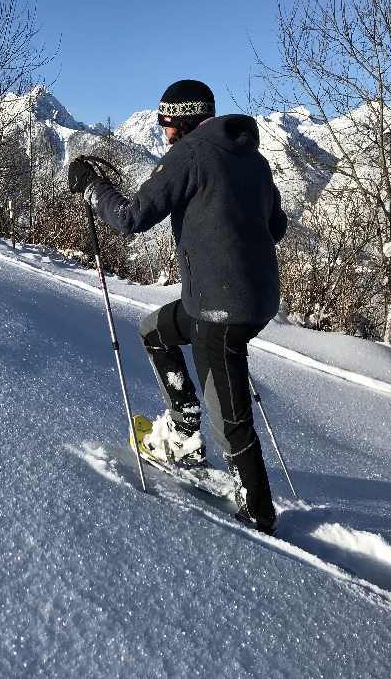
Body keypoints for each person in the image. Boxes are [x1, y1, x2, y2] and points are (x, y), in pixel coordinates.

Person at [68, 79, 288, 534]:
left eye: (166, 122)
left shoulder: (189, 156)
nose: (164, 131)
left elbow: (131, 218)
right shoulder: (254, 159)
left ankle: (258, 510)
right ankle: (185, 434)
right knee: (155, 330)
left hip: (221, 311)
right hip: (242, 297)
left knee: (230, 412)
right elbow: (277, 226)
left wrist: (93, 189)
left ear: (183, 121)